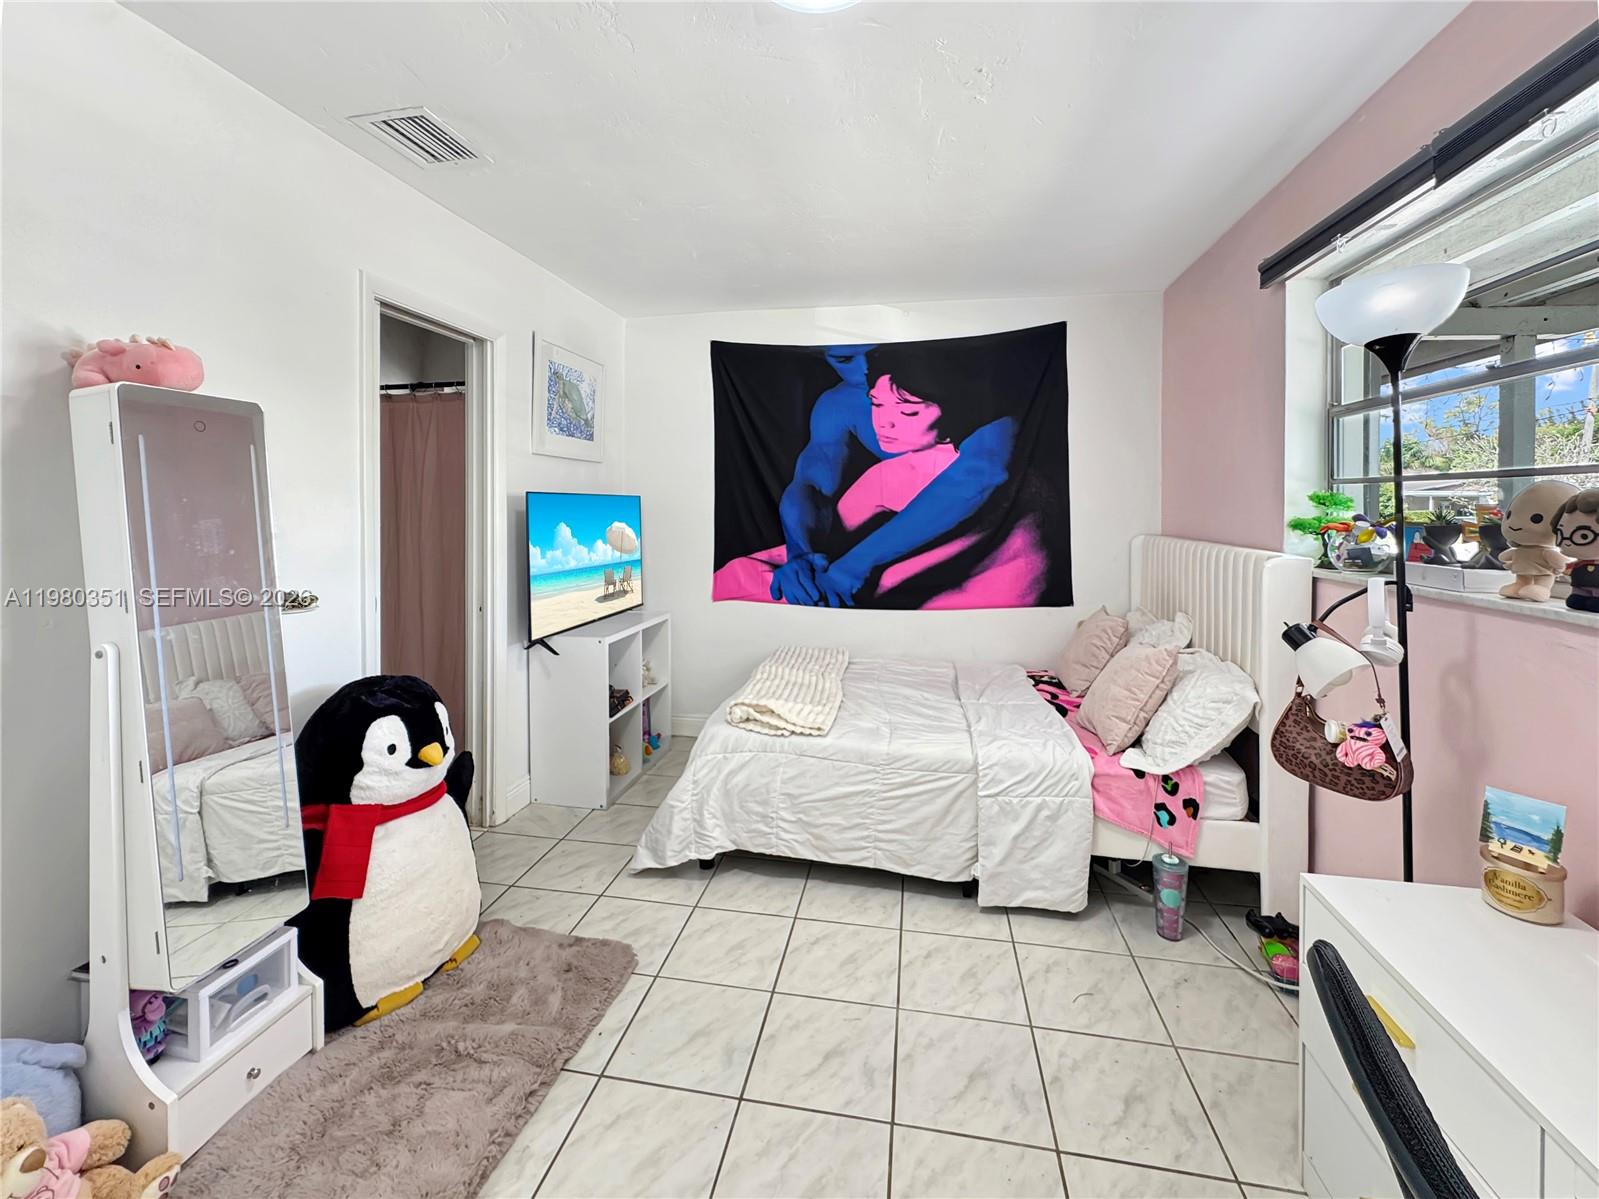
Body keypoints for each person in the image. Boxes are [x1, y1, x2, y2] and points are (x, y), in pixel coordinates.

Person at [713, 353, 1046, 608]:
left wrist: (852, 567)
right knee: (742, 576)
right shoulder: (843, 408)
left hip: (979, 543)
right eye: (846, 359)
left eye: (907, 410)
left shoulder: (980, 418)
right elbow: (813, 485)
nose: (866, 368)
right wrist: (802, 557)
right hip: (872, 535)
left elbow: (975, 478)